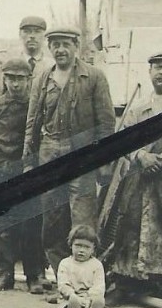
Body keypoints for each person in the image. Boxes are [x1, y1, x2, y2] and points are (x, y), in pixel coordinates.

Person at [99, 51, 162, 299]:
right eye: (157, 67)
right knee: (135, 228)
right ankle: (131, 283)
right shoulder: (139, 110)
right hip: (141, 180)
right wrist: (141, 156)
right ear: (149, 72)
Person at [24, 25, 116, 292]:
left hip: (82, 154)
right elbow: (32, 122)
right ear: (49, 48)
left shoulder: (94, 77)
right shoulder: (43, 77)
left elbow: (106, 124)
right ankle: (63, 282)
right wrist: (29, 161)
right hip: (50, 152)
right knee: (52, 220)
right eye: (55, 45)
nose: (60, 50)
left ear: (76, 46)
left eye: (65, 44)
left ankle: (86, 284)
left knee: (83, 219)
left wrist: (104, 161)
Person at [0, 57, 48, 293]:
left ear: (29, 80)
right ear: (4, 79)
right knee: (0, 224)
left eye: (20, 79)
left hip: (26, 171)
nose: (15, 84)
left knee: (30, 222)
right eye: (10, 79)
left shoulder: (36, 106)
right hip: (0, 168)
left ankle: (34, 275)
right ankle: (3, 274)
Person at [0, 15, 53, 98]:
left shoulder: (51, 65)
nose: (32, 36)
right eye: (27, 31)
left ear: (45, 36)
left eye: (37, 32)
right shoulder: (7, 61)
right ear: (20, 34)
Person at [56, 225, 106, 308]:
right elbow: (63, 284)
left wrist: (90, 297)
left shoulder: (96, 265)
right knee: (68, 305)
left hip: (89, 298)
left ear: (93, 249)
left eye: (87, 247)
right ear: (71, 245)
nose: (81, 250)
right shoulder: (65, 263)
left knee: (97, 301)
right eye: (78, 246)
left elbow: (99, 285)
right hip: (70, 297)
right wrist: (72, 295)